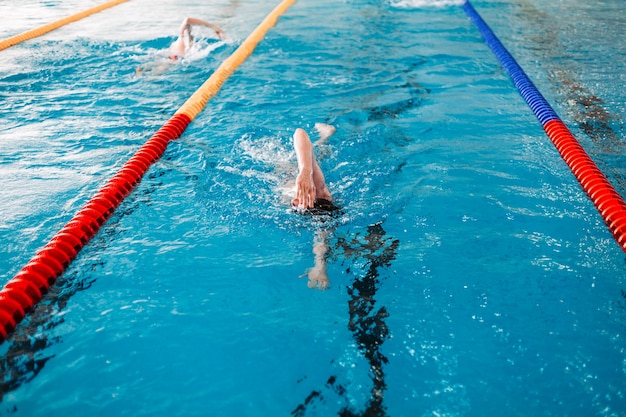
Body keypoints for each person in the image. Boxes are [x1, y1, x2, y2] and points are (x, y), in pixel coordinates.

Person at [291, 124, 340, 290]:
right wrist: (305, 171)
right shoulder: (317, 190)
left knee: (310, 157)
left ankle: (325, 136)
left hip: (286, 177)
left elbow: (321, 236)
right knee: (312, 156)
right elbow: (299, 132)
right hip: (302, 176)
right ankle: (326, 135)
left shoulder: (315, 201)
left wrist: (320, 267)